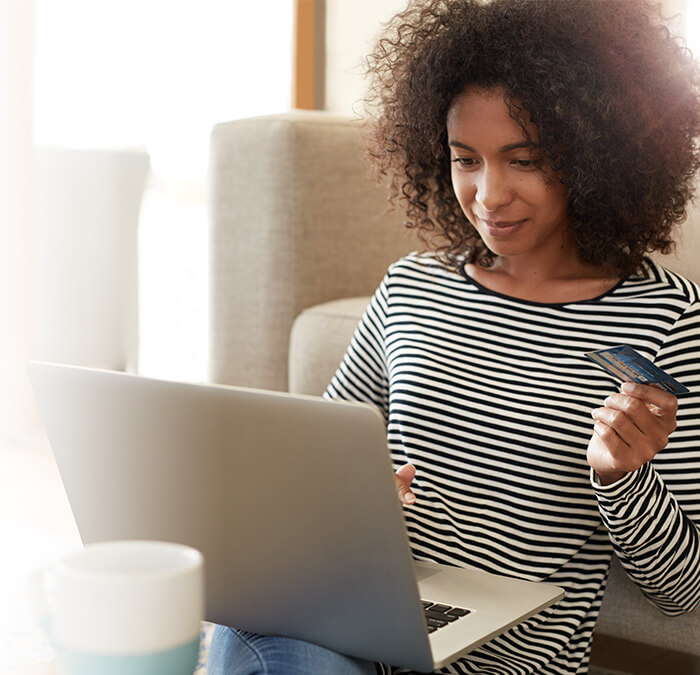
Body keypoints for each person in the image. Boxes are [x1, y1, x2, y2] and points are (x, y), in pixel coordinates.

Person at [207, 0, 700, 673]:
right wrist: (357, 495)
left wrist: (623, 479)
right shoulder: (412, 286)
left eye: (523, 160)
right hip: (358, 624)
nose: (488, 195)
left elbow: (682, 591)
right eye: (465, 159)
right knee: (254, 619)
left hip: (502, 660)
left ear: (596, 155)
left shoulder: (664, 320)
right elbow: (315, 460)